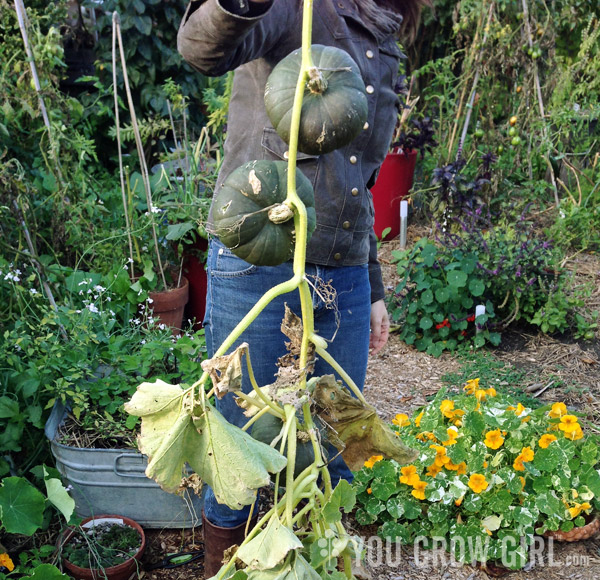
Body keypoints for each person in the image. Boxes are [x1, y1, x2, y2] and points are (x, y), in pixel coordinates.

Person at [177, 0, 430, 575]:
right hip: (259, 258)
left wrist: (372, 284)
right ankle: (232, 566)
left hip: (341, 270)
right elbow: (200, 48)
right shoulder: (296, 7)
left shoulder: (384, 31)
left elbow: (361, 181)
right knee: (241, 452)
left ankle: (311, 563)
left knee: (332, 449)